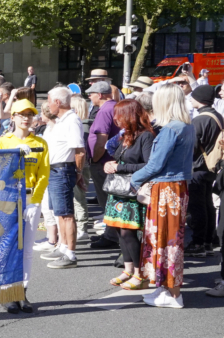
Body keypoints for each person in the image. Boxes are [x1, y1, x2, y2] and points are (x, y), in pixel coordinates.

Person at [131, 85, 196, 308]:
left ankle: (174, 293)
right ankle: (165, 288)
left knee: (165, 240)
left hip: (166, 188)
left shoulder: (170, 129)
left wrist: (133, 179)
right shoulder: (186, 126)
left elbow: (155, 164)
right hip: (177, 187)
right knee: (168, 239)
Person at [0, 99, 49, 312]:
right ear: (13, 117)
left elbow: (43, 175)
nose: (26, 118)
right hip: (7, 198)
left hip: (30, 199)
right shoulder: (3, 142)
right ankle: (7, 291)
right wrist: (14, 153)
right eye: (21, 114)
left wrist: (35, 201)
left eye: (30, 114)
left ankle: (22, 291)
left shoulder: (41, 143)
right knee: (7, 246)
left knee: (26, 249)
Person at [102, 99, 155, 291]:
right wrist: (110, 164)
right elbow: (118, 158)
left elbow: (149, 165)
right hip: (118, 190)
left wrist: (120, 167)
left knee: (128, 231)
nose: (115, 119)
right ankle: (128, 269)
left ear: (130, 115)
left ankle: (139, 273)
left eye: (119, 115)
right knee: (118, 230)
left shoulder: (146, 136)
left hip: (132, 191)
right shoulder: (125, 135)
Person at [40, 87, 85, 269]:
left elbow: (79, 151)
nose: (48, 104)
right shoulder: (61, 121)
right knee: (59, 212)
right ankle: (63, 246)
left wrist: (78, 173)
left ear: (57, 102)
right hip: (56, 170)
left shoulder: (71, 120)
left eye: (49, 100)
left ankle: (71, 254)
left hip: (62, 169)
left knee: (66, 214)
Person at [185, 84, 221, 258]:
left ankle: (198, 242)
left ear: (199, 99)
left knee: (197, 206)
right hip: (211, 166)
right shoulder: (217, 116)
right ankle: (208, 240)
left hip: (197, 167)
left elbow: (191, 149)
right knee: (207, 205)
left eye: (193, 97)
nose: (190, 99)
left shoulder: (199, 120)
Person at [86, 81, 121, 251]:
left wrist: (95, 159)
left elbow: (101, 139)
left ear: (99, 95)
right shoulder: (116, 107)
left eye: (91, 94)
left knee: (106, 200)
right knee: (111, 200)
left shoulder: (105, 110)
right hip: (112, 161)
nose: (89, 97)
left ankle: (111, 236)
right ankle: (111, 233)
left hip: (104, 162)